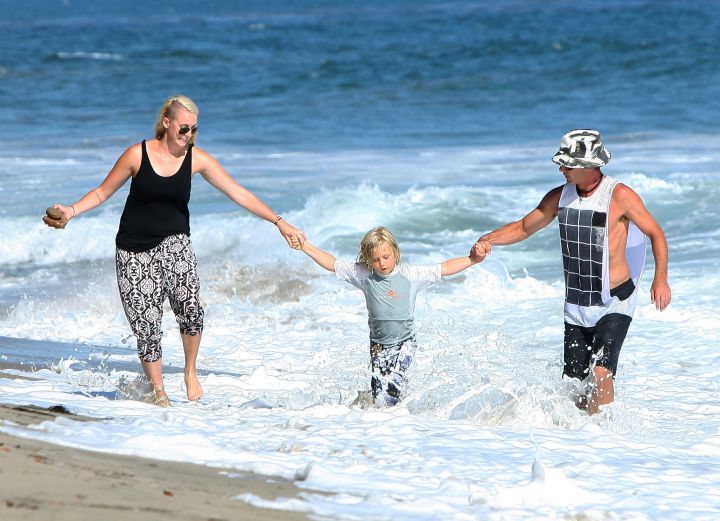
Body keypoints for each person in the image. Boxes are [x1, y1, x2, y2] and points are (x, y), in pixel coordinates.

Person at [43, 95, 305, 407]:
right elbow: (102, 191)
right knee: (147, 326)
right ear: (167, 123)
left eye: (194, 129)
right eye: (184, 128)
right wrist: (71, 211)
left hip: (175, 242)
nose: (189, 135)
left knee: (191, 311)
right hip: (133, 250)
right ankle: (158, 391)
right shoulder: (136, 155)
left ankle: (190, 370)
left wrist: (279, 221)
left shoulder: (197, 160)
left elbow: (238, 192)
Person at [474, 129, 671, 415]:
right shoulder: (559, 197)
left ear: (588, 166)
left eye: (567, 164)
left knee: (601, 373)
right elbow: (522, 227)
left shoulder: (620, 195)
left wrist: (660, 278)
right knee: (574, 386)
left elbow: (656, 233)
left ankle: (604, 436)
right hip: (576, 305)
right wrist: (487, 239)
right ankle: (578, 440)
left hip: (615, 301)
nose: (561, 168)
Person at [291, 226, 487, 406]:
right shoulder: (363, 274)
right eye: (375, 259)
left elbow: (444, 268)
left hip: (405, 342)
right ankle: (386, 429)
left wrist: (472, 259)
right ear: (368, 259)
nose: (382, 263)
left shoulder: (411, 274)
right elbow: (332, 263)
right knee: (379, 397)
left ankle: (398, 419)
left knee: (393, 381)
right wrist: (304, 246)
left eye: (386, 257)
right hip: (377, 345)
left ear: (396, 253)